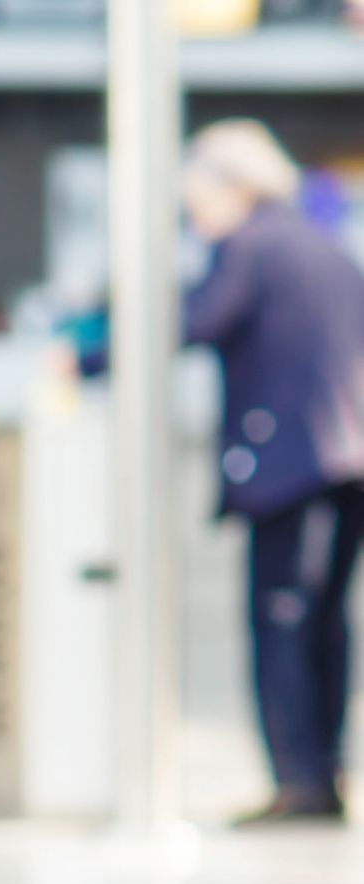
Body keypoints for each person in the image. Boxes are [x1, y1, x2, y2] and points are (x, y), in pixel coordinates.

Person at [178, 120, 364, 828]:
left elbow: (190, 322)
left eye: (196, 202)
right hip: (343, 466)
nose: (196, 221)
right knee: (324, 625)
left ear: (235, 187)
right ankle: (325, 772)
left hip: (290, 466)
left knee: (281, 623)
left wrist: (85, 354)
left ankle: (300, 782)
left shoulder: (249, 248)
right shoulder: (325, 246)